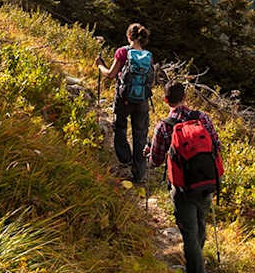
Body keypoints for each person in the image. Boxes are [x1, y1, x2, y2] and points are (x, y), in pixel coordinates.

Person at [146, 82, 223, 273]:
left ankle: (196, 268)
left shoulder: (163, 126)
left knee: (189, 233)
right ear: (185, 97)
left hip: (182, 188)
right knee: (200, 222)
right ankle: (198, 258)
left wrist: (148, 153)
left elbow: (155, 160)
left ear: (165, 100)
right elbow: (216, 145)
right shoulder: (202, 118)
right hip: (206, 181)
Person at [94, 23, 153, 182]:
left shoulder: (122, 52)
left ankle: (125, 161)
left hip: (124, 99)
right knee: (140, 134)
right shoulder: (148, 55)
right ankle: (140, 173)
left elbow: (110, 74)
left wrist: (100, 64)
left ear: (129, 36)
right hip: (142, 100)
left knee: (120, 127)